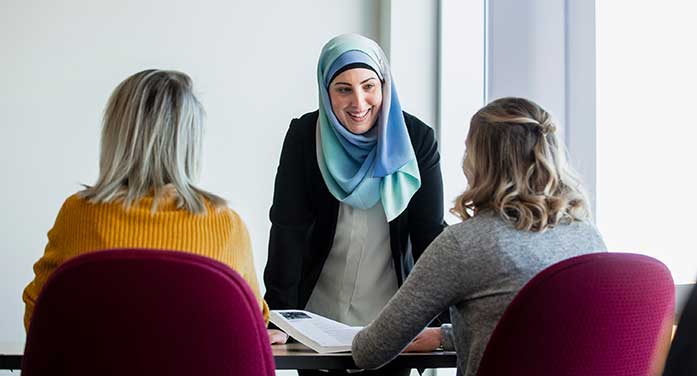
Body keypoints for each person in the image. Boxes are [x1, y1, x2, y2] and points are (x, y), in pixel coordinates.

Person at [22, 69, 286, 344]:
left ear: (115, 133)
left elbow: (38, 317)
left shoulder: (77, 214)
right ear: (190, 141)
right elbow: (252, 323)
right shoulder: (226, 225)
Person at [351, 97, 608, 376]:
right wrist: (447, 335)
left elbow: (371, 351)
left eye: (468, 150)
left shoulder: (465, 244)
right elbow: (543, 330)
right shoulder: (588, 237)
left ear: (481, 162)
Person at [264, 34, 445, 375]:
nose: (358, 102)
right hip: (316, 322)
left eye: (368, 86)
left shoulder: (417, 140)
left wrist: (449, 323)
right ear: (325, 91)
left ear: (384, 85)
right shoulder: (306, 136)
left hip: (392, 325)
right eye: (343, 89)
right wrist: (280, 316)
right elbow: (287, 228)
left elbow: (430, 236)